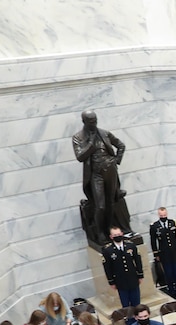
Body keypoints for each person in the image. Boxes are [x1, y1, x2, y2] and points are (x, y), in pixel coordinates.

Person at [72, 109, 130, 243]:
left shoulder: (104, 133)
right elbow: (80, 156)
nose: (94, 124)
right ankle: (99, 232)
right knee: (100, 205)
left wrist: (117, 160)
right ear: (84, 122)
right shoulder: (78, 137)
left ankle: (109, 227)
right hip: (95, 174)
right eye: (91, 122)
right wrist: (91, 144)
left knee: (111, 202)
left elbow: (121, 145)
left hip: (110, 171)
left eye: (95, 121)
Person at [101, 226, 144, 308]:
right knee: (125, 304)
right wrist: (111, 281)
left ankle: (138, 318)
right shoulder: (108, 250)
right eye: (115, 235)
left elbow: (138, 260)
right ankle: (129, 320)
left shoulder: (130, 245)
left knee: (136, 302)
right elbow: (107, 267)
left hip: (133, 278)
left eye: (118, 234)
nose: (117, 236)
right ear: (111, 237)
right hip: (120, 281)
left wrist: (140, 275)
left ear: (122, 234)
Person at [149, 207, 176, 299]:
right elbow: (153, 241)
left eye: (164, 215)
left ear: (167, 214)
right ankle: (172, 292)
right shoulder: (154, 226)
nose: (163, 217)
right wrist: (156, 254)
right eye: (161, 215)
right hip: (164, 254)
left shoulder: (173, 223)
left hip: (175, 252)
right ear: (158, 215)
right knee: (169, 274)